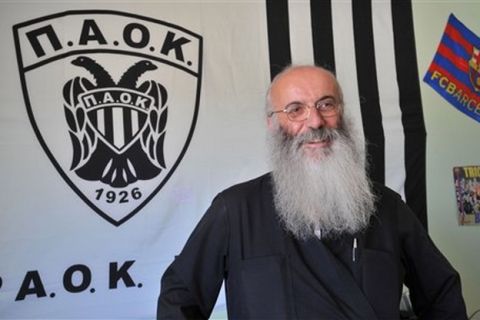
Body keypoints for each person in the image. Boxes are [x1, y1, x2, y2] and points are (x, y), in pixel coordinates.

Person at [157, 65, 467, 319]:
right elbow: (179, 297)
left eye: (326, 105)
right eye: (295, 110)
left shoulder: (387, 207)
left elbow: (441, 293)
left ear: (341, 113)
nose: (315, 121)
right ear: (272, 123)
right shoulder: (235, 210)